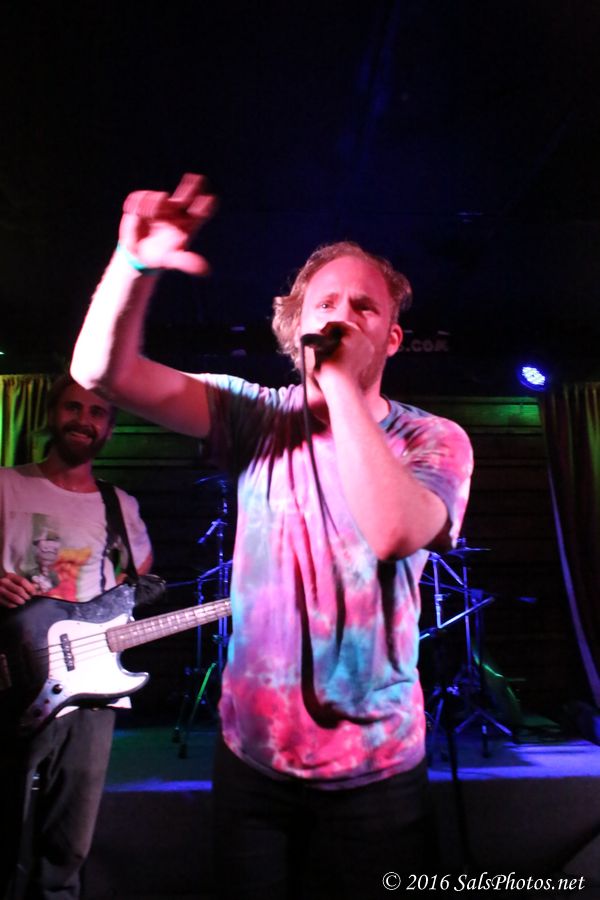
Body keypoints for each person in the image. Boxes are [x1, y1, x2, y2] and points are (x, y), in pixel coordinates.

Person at [71, 174, 473, 899]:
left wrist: (341, 385)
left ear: (392, 336)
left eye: (364, 307)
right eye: (325, 304)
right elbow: (100, 371)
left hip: (376, 772)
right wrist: (132, 265)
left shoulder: (431, 438)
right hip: (253, 763)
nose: (343, 316)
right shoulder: (255, 414)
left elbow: (394, 530)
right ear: (295, 329)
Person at [0, 374, 152, 900]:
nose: (83, 421)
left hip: (89, 692)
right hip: (11, 679)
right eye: (72, 407)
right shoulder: (7, 484)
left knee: (67, 847)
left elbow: (137, 578)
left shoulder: (120, 505)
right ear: (51, 414)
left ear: (109, 428)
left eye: (96, 412)